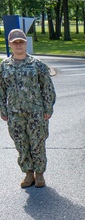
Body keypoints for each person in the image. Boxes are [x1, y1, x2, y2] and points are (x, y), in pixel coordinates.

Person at [0, 29, 56, 188]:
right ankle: (28, 173)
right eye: (15, 42)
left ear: (26, 43)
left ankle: (39, 174)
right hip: (15, 114)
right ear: (10, 44)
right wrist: (3, 110)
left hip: (36, 112)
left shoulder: (37, 65)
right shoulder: (4, 66)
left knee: (37, 142)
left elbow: (47, 88)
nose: (18, 45)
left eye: (21, 42)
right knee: (21, 143)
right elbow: (1, 89)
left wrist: (47, 109)